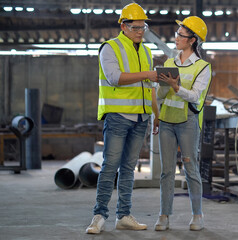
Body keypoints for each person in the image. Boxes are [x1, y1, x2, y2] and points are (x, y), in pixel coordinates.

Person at [86, 3, 159, 234]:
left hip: (141, 118)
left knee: (128, 168)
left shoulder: (146, 52)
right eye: (135, 27)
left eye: (143, 27)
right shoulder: (110, 48)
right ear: (123, 26)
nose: (140, 31)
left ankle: (124, 215)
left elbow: (150, 86)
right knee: (110, 167)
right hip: (118, 116)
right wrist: (148, 74)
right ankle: (98, 216)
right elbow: (114, 78)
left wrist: (156, 114)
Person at [154, 16, 212, 231]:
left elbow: (196, 96)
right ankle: (163, 215)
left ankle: (198, 215)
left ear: (192, 40)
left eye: (181, 35)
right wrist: (161, 85)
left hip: (187, 122)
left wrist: (176, 86)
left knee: (190, 169)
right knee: (166, 172)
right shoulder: (169, 63)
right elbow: (161, 95)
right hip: (167, 121)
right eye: (177, 33)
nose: (176, 38)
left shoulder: (203, 67)